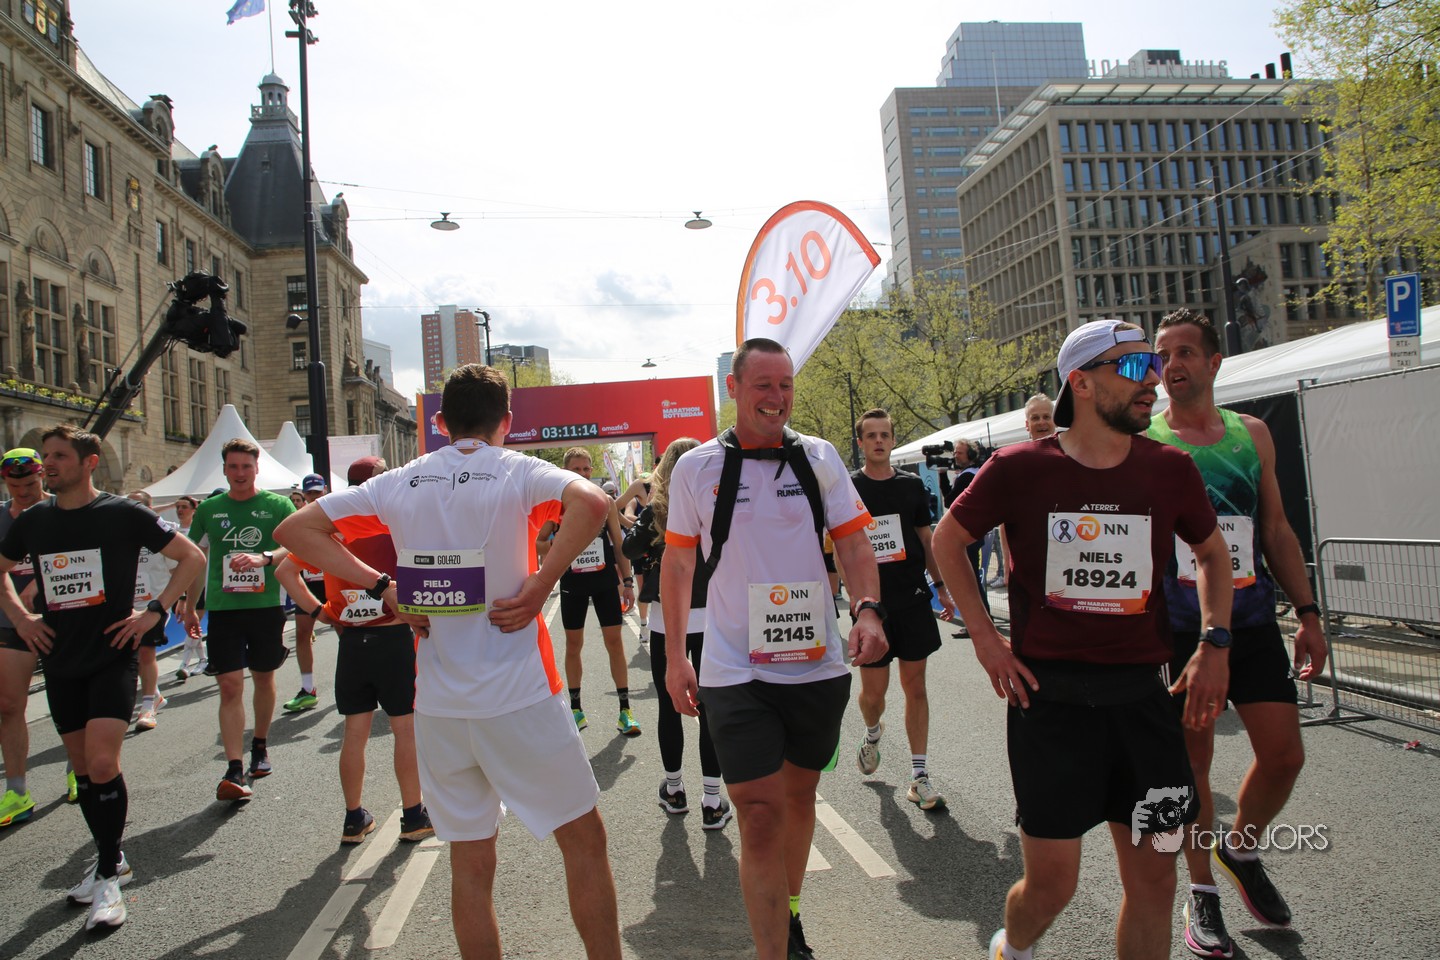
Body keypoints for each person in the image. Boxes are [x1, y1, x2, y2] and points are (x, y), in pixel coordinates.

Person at [275, 362, 622, 960]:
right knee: (583, 841)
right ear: (506, 421)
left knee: (470, 859)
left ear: (440, 423)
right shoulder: (517, 470)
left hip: (438, 703)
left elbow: (295, 529)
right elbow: (592, 501)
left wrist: (382, 586)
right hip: (520, 696)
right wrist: (541, 584)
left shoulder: (400, 480)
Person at [932, 319, 1235, 960]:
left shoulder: (1170, 469)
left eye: (1154, 365)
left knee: (1155, 880)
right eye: (1134, 367)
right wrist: (985, 638)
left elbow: (1212, 553)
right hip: (1051, 703)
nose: (1154, 380)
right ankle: (1014, 947)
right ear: (1083, 382)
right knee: (1053, 887)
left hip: (1143, 702)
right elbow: (948, 540)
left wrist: (1214, 641)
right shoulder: (1019, 468)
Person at [661, 337, 888, 960]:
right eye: (763, 384)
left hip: (816, 667)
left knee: (798, 796)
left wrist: (868, 609)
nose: (776, 396)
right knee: (759, 813)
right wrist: (676, 656)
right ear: (733, 389)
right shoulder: (697, 468)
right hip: (734, 670)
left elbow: (854, 545)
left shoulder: (818, 457)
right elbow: (678, 566)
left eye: (785, 384)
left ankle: (788, 914)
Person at [1149, 308, 1328, 957]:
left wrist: (1308, 613)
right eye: (1163, 354)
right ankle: (1202, 893)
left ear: (1214, 361)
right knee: (1193, 764)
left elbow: (1275, 527)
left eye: (1185, 352)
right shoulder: (1147, 440)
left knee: (1284, 756)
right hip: (1179, 630)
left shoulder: (1251, 435)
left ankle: (1241, 849)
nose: (1172, 364)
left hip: (1251, 622)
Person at [0, 425, 204, 931]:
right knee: (82, 769)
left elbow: (192, 557)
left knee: (101, 761)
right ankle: (110, 859)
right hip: (60, 658)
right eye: (46, 456)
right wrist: (22, 619)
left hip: (113, 654)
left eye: (59, 456)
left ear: (89, 462)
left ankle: (110, 876)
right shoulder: (35, 520)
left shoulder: (122, 513)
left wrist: (154, 612)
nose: (48, 464)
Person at [275, 456, 432, 844]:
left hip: (352, 640)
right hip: (394, 638)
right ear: (377, 480)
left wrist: (320, 612)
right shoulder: (389, 522)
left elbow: (284, 571)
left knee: (355, 732)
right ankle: (413, 815)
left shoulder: (335, 528)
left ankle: (353, 818)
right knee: (405, 729)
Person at [621, 437, 732, 829]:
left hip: (667, 621)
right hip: (715, 616)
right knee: (711, 707)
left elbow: (630, 548)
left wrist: (649, 524)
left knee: (670, 707)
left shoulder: (660, 509)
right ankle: (712, 800)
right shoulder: (718, 503)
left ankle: (674, 790)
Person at [178, 439, 296, 802]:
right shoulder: (209, 509)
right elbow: (194, 558)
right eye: (233, 467)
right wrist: (190, 605)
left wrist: (265, 557)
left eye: (246, 466)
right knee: (229, 686)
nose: (240, 473)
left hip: (265, 607)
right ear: (225, 470)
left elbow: (295, 543)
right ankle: (233, 767)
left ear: (257, 468)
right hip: (224, 609)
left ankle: (259, 743)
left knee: (263, 677)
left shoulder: (278, 505)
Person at [849, 409, 955, 811]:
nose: (879, 441)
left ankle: (919, 776)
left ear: (893, 440)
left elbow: (926, 541)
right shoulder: (850, 488)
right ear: (861, 443)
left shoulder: (911, 486)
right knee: (874, 695)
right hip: (871, 606)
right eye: (871, 435)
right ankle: (872, 732)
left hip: (912, 599)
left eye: (885, 435)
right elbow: (842, 545)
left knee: (916, 686)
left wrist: (941, 588)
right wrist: (857, 599)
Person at [537, 448, 638, 736]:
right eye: (576, 469)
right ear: (566, 472)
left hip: (604, 582)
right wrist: (558, 542)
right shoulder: (558, 505)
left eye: (586, 469)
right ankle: (576, 709)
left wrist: (627, 582)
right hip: (574, 584)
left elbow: (619, 545)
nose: (583, 473)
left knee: (615, 642)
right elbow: (538, 543)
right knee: (573, 645)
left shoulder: (604, 502)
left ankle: (625, 711)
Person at [0, 448, 48, 826]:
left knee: (70, 701)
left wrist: (38, 582)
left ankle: (78, 771)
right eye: (15, 486)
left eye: (30, 484)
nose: (23, 492)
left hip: (64, 618)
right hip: (11, 622)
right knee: (8, 705)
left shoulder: (62, 511)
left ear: (42, 476)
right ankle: (16, 791)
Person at [127, 491, 178, 731]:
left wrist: (181, 599)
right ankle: (155, 694)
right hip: (126, 605)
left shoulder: (162, 536)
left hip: (155, 604)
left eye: (139, 506)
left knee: (146, 652)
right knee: (133, 655)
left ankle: (147, 706)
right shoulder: (117, 534)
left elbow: (178, 568)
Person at [996, 394, 1059, 588]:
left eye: (1046, 417)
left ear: (1055, 421)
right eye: (1035, 418)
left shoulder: (1072, 458)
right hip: (1028, 566)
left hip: (1065, 561)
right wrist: (1007, 563)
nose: (1041, 422)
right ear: (1027, 424)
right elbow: (1004, 520)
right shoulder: (1013, 464)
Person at [285, 472, 331, 713]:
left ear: (325, 490)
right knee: (303, 633)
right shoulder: (298, 519)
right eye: (310, 493)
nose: (314, 497)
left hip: (334, 582)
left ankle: (359, 685)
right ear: (304, 495)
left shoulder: (335, 512)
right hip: (309, 583)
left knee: (346, 635)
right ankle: (307, 689)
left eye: (317, 492)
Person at [170, 495, 209, 680]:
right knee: (191, 624)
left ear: (194, 510)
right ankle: (203, 659)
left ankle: (184, 665)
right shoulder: (173, 531)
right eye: (177, 507)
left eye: (184, 506)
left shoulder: (200, 532)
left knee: (194, 620)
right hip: (178, 584)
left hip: (198, 582)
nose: (180, 510)